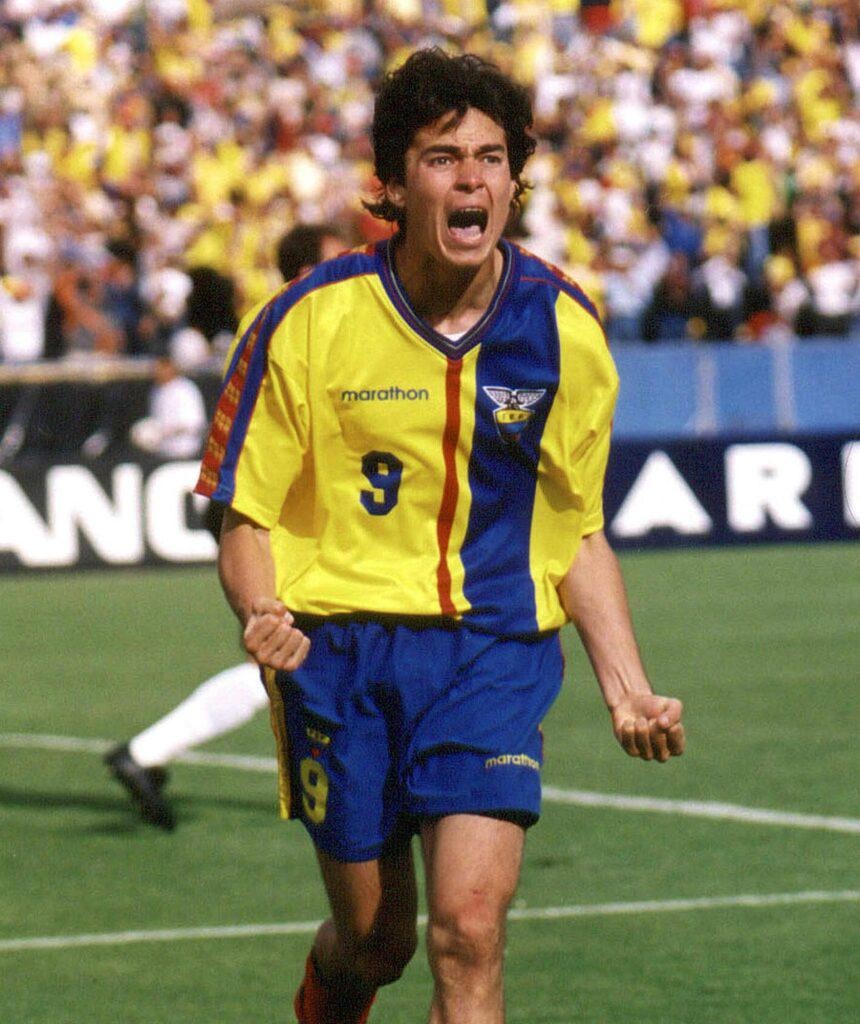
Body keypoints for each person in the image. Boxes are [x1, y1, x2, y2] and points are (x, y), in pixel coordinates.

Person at [196, 49, 685, 1024]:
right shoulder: (306, 321)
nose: (470, 178)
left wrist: (626, 685)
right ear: (390, 183)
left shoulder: (562, 329)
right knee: (376, 945)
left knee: (466, 928)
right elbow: (242, 515)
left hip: (490, 644)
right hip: (336, 653)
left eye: (490, 156)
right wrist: (261, 608)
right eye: (441, 157)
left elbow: (574, 528)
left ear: (515, 177)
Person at [104, 222, 348, 832]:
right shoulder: (293, 321)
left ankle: (147, 753)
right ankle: (143, 752)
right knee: (291, 652)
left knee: (301, 655)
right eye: (339, 261)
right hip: (272, 513)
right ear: (307, 269)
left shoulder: (310, 319)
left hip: (292, 511)